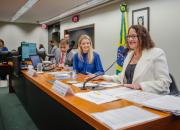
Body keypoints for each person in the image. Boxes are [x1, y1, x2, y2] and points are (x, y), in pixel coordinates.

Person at [101, 25, 171, 94]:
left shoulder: (156, 53)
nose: (130, 39)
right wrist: (103, 77)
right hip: (128, 95)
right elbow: (122, 78)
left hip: (149, 97)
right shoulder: (129, 55)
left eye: (134, 36)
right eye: (128, 36)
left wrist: (140, 86)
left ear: (143, 37)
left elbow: (165, 83)